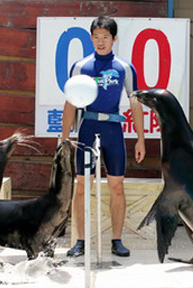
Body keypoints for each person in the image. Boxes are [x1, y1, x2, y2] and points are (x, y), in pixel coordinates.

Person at [62, 16, 145, 258]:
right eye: (96, 37)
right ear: (91, 38)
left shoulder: (125, 68)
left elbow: (135, 103)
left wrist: (140, 139)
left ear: (114, 39)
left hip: (113, 130)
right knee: (81, 186)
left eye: (105, 37)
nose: (101, 42)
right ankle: (79, 241)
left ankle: (117, 240)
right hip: (87, 128)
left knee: (116, 186)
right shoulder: (80, 66)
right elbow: (70, 103)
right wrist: (64, 139)